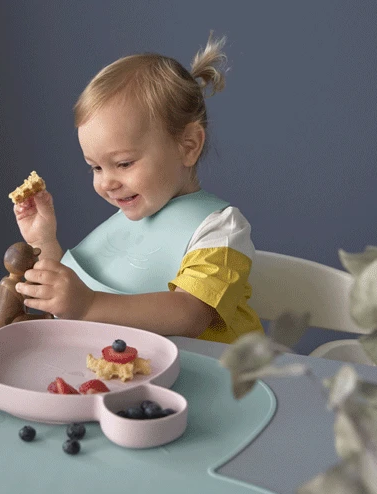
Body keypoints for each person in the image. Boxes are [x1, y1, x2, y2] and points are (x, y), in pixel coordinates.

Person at [13, 33, 262, 344]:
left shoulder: (221, 230)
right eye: (96, 167)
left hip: (212, 370)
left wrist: (88, 304)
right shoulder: (130, 220)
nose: (107, 182)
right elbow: (69, 300)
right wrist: (43, 241)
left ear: (188, 145)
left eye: (124, 163)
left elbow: (190, 313)